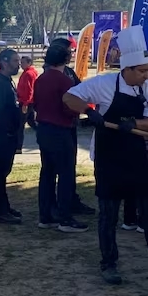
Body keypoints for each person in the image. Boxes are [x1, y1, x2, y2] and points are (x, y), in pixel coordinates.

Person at [63, 25, 148, 285]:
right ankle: (108, 264)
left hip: (136, 157)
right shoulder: (103, 84)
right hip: (109, 158)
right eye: (144, 71)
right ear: (129, 69)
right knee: (108, 216)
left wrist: (133, 124)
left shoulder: (146, 89)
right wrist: (90, 112)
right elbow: (69, 98)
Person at [34, 40, 89, 233]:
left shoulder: (41, 79)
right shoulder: (65, 80)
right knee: (66, 174)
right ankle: (65, 218)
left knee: (47, 173)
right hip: (60, 130)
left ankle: (45, 216)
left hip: (44, 130)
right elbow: (69, 108)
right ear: (66, 58)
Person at [51, 37, 95, 217]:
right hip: (57, 126)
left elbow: (80, 90)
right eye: (68, 52)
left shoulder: (68, 72)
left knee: (70, 167)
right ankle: (56, 207)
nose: (71, 55)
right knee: (54, 170)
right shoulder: (52, 74)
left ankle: (72, 200)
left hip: (71, 124)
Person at [0, 49, 23, 224]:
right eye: (15, 61)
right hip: (3, 135)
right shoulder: (0, 84)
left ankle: (4, 206)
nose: (19, 64)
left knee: (3, 172)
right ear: (5, 61)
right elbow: (0, 112)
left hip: (8, 134)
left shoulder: (6, 81)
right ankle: (0, 211)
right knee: (0, 173)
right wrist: (9, 130)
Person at [15, 55, 39, 153]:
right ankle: (45, 136)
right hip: (29, 102)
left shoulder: (29, 74)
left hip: (26, 102)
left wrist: (25, 103)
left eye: (23, 62)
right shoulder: (29, 72)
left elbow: (29, 90)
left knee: (20, 125)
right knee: (32, 122)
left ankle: (18, 147)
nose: (21, 64)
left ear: (29, 63)